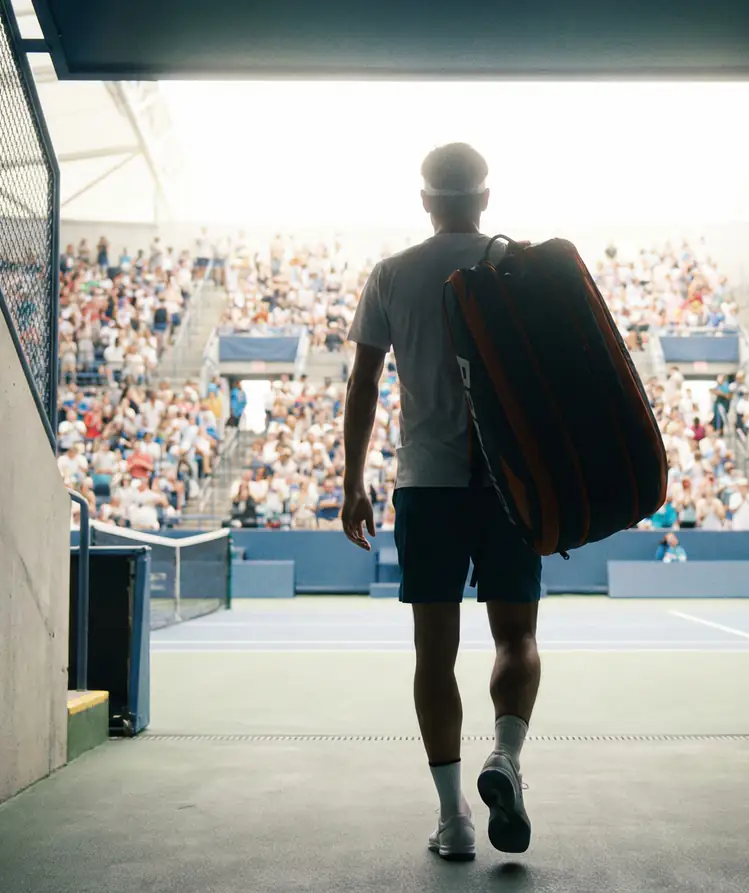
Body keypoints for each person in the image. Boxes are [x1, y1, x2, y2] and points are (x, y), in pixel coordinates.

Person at [340, 143, 538, 862]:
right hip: (510, 484)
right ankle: (506, 757)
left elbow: (363, 383)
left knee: (435, 652)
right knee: (516, 636)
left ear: (424, 201)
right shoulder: (516, 264)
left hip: (426, 483)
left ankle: (453, 819)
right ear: (485, 199)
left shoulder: (391, 275)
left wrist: (352, 479)